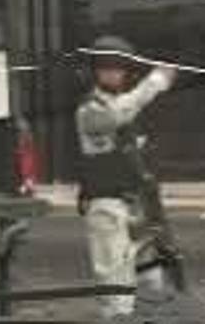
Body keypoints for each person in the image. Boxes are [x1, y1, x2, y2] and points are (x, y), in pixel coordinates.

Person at [76, 35, 179, 319]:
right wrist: (155, 83)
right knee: (116, 287)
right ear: (94, 71)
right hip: (106, 204)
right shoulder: (90, 110)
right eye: (104, 67)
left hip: (135, 204)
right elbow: (116, 115)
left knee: (152, 279)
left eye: (118, 67)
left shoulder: (123, 107)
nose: (112, 73)